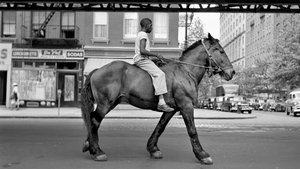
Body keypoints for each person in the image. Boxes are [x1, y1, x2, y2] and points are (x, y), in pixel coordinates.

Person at [134, 18, 174, 112]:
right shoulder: (143, 35)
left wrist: (156, 58)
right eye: (151, 25)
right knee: (160, 74)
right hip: (142, 60)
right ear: (147, 25)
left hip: (142, 59)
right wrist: (156, 54)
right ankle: (161, 102)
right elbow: (142, 51)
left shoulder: (140, 34)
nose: (152, 28)